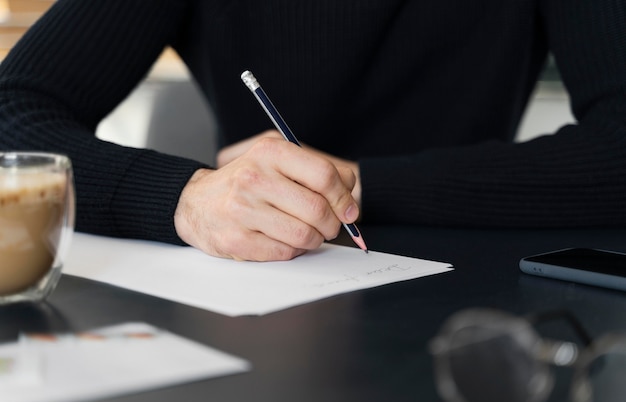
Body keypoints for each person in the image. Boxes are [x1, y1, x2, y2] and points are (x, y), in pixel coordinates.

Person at [1, 0, 625, 261]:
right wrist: (182, 198)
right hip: (264, 287)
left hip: (477, 295)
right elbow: (12, 109)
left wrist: (359, 184)